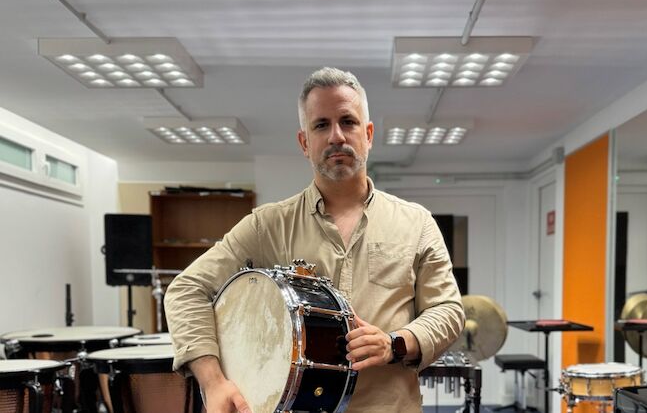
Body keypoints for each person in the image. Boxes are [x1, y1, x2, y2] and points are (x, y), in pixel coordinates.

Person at [164, 67, 465, 413]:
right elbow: (186, 289)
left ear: (368, 134)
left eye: (348, 122)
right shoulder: (267, 226)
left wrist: (395, 343)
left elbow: (448, 310)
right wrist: (213, 381)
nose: (336, 136)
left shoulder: (416, 223)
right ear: (305, 143)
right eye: (321, 125)